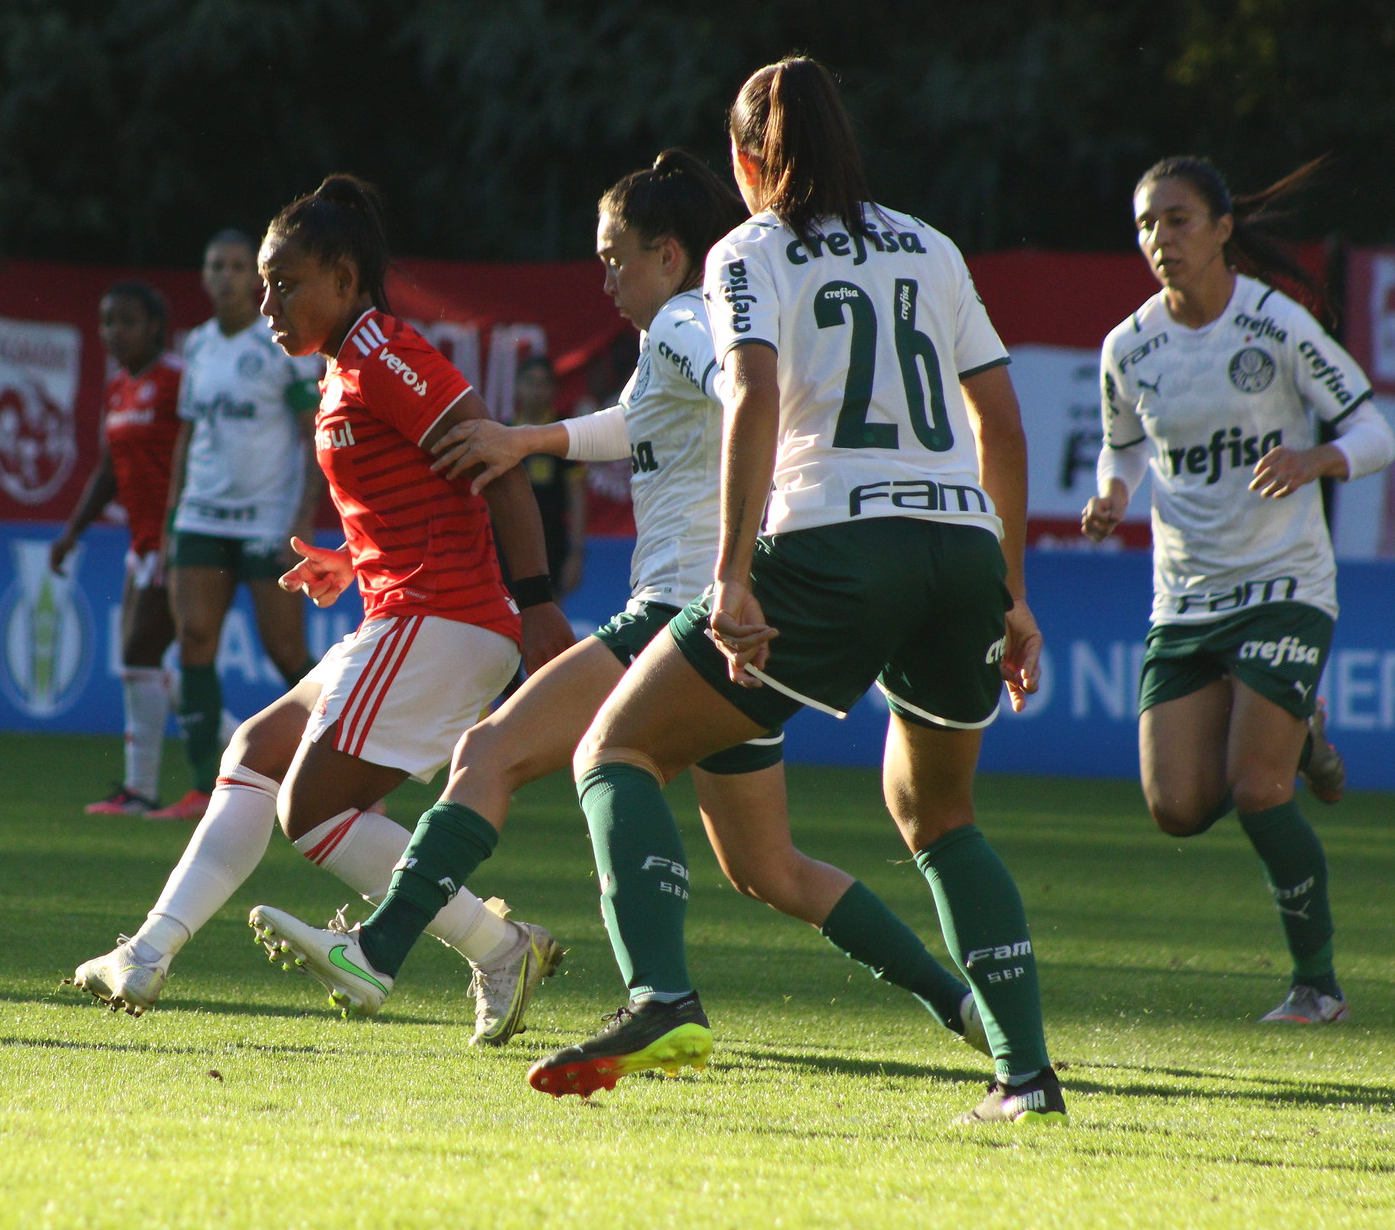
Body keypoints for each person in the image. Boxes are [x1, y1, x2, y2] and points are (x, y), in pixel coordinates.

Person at [249, 150, 990, 1059]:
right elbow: (637, 420)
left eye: (615, 256)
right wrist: (530, 438)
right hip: (740, 632)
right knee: (769, 868)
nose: (602, 275)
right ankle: (959, 1002)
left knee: (490, 751)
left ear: (671, 256)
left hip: (684, 611)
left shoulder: (686, 318)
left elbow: (739, 393)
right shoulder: (676, 333)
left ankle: (380, 948)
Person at [520, 58, 1060, 1124]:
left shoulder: (744, 251)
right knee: (937, 814)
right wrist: (1012, 589)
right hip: (956, 546)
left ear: (746, 157)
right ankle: (1024, 1075)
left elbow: (754, 392)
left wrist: (727, 575)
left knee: (614, 751)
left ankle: (660, 995)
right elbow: (999, 421)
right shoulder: (930, 245)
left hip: (829, 545)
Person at [71, 175, 578, 1045]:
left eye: (285, 280)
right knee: (255, 751)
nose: (266, 300)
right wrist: (354, 558)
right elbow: (425, 491)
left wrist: (537, 609)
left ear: (344, 278)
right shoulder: (347, 364)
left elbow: (494, 461)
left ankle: (497, 947)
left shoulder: (382, 351)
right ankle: (147, 953)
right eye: (265, 283)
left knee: (308, 810)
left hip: (445, 619)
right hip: (408, 610)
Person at [1082, 155, 1392, 1025]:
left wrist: (1317, 459)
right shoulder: (1129, 346)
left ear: (1222, 229)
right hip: (1184, 595)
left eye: (1178, 220)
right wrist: (1113, 493)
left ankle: (1317, 985)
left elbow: (1374, 427)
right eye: (1146, 225)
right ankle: (1297, 733)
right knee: (1176, 807)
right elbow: (1123, 445)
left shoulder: (1276, 326)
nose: (1159, 240)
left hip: (1285, 580)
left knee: (1256, 789)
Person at [154, 230, 324, 820]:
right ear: (203, 277)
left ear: (254, 280)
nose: (224, 276)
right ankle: (204, 784)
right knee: (195, 639)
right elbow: (186, 440)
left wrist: (301, 519)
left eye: (234, 266)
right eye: (214, 265)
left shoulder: (278, 342)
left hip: (266, 520)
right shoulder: (197, 345)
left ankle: (342, 772)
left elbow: (314, 439)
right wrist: (171, 518)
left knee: (285, 651)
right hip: (201, 515)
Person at [51, 282, 185, 816]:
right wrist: (72, 531)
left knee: (138, 654)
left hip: (177, 537)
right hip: (143, 542)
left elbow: (200, 454)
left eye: (126, 320)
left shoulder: (177, 381)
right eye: (107, 322)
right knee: (144, 660)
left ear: (155, 325)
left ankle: (145, 789)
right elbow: (109, 471)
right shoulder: (117, 388)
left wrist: (182, 528)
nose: (114, 332)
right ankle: (230, 755)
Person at [507, 354, 586, 593]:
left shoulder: (564, 436)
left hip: (551, 545)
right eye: (530, 382)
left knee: (548, 615)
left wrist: (576, 554)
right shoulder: (502, 434)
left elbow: (578, 499)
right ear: (518, 386)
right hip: (507, 544)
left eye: (543, 383)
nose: (536, 390)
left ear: (553, 389)